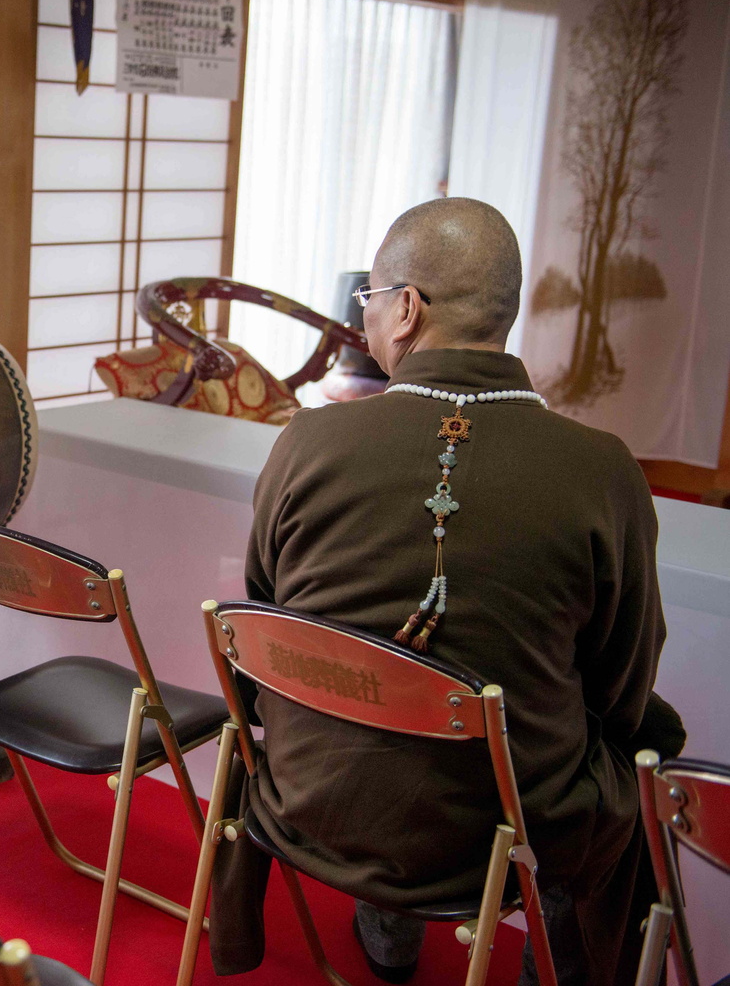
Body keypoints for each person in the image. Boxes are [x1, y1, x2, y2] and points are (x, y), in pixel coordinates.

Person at [212, 198, 684, 985]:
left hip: (313, 796)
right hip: (504, 823)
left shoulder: (308, 441)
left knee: (382, 694)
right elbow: (623, 677)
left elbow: (262, 624)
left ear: (406, 309)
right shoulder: (605, 470)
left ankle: (388, 940)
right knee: (629, 744)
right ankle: (553, 959)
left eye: (369, 301)